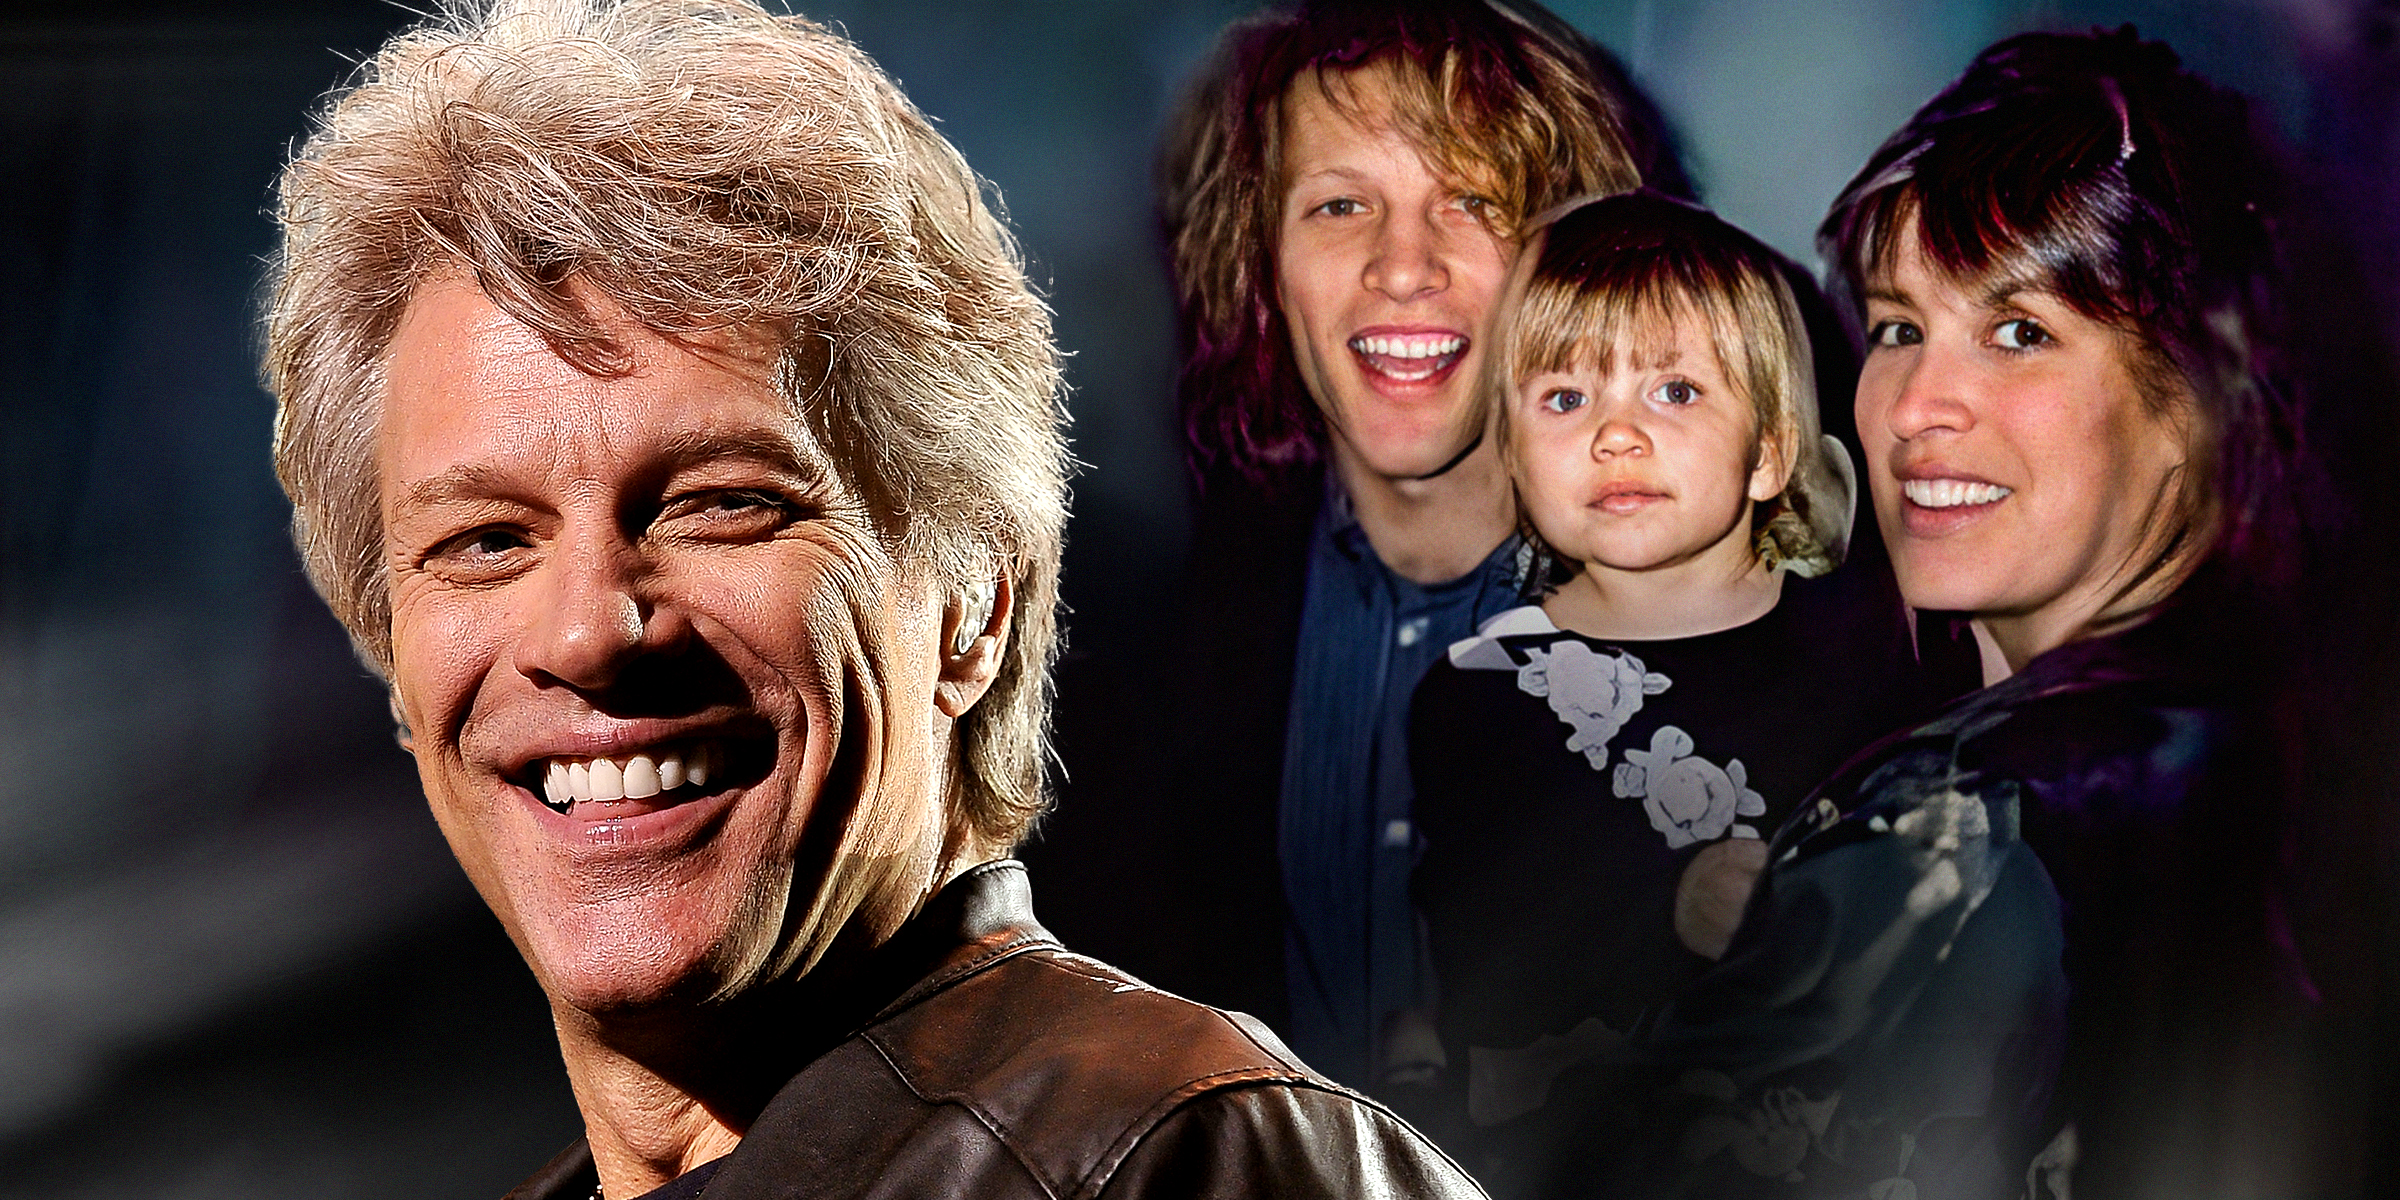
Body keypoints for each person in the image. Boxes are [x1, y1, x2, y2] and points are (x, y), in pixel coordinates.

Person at [261, 2, 1487, 1197]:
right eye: (483, 540)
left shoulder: (1184, 1164)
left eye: (722, 504)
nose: (586, 631)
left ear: (973, 606)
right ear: (393, 660)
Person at [1614, 28, 2325, 1199]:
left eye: (2020, 331)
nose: (1913, 408)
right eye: (1898, 327)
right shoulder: (2272, 746)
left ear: (2198, 395)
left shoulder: (1955, 827)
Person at [1032, 0, 1656, 1095]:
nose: (1402, 266)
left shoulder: (1736, 629)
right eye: (1340, 205)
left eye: (1471, 200)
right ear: (1263, 262)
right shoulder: (1142, 646)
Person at [1400, 191, 1962, 1199]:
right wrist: (1669, 908)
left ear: (1770, 452)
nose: (1616, 435)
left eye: (1675, 393)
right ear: (1511, 449)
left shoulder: (1883, 659)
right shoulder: (1475, 695)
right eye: (1565, 399)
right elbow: (1487, 987)